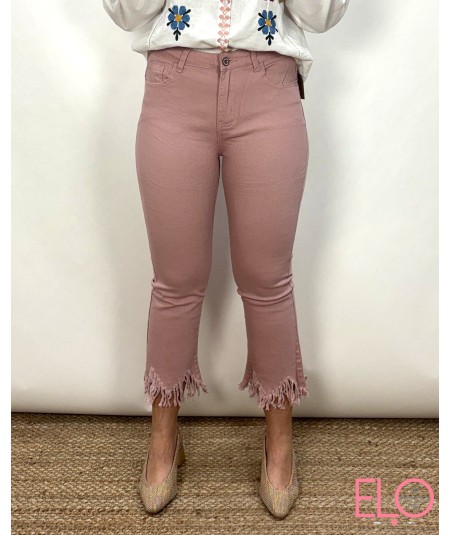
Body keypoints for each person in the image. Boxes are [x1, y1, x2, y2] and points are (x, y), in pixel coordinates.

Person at [102, 0, 350, 519]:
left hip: (269, 86)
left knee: (267, 280)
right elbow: (126, 13)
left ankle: (279, 442)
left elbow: (322, 16)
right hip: (175, 84)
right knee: (175, 280)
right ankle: (163, 437)